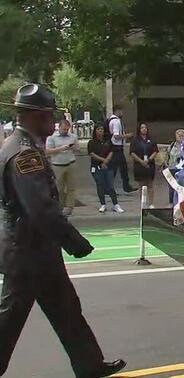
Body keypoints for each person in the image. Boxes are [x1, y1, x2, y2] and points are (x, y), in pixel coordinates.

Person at [0, 84, 126, 377]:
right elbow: (41, 209)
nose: (53, 123)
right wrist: (74, 242)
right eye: (49, 116)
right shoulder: (24, 154)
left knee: (68, 311)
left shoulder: (19, 146)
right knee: (8, 323)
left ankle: (90, 366)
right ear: (36, 116)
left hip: (38, 252)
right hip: (28, 255)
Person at [45, 119, 78, 216]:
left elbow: (78, 148)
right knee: (59, 188)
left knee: (71, 187)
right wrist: (61, 148)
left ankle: (69, 207)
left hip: (70, 163)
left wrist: (73, 147)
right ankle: (59, 206)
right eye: (64, 129)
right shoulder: (52, 137)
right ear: (59, 127)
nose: (65, 131)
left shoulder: (73, 137)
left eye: (67, 129)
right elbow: (47, 151)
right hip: (57, 165)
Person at [87, 125, 123, 213]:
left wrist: (106, 160)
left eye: (102, 129)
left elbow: (111, 151)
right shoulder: (92, 142)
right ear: (95, 131)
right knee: (100, 184)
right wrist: (103, 160)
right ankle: (103, 204)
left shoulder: (108, 141)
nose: (100, 131)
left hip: (108, 166)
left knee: (110, 185)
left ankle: (116, 204)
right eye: (98, 129)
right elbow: (92, 154)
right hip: (96, 166)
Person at [106, 105, 137, 193]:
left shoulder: (111, 120)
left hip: (115, 146)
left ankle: (125, 186)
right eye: (121, 111)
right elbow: (116, 135)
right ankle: (110, 187)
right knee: (116, 168)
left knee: (121, 167)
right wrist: (127, 136)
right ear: (118, 111)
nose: (122, 113)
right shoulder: (116, 121)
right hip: (116, 147)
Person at [130, 122, 157, 208]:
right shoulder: (135, 140)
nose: (144, 129)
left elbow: (155, 151)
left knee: (150, 184)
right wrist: (141, 161)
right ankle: (142, 203)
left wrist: (148, 160)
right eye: (142, 128)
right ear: (139, 129)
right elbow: (132, 153)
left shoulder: (151, 139)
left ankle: (151, 203)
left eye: (145, 127)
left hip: (150, 164)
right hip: (139, 164)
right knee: (141, 185)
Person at [165, 129, 184, 206]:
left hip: (182, 169)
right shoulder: (171, 145)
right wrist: (166, 162)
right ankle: (171, 203)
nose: (180, 137)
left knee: (181, 186)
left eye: (182, 135)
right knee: (171, 187)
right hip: (172, 168)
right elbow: (167, 155)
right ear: (175, 136)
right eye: (179, 135)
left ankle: (181, 202)